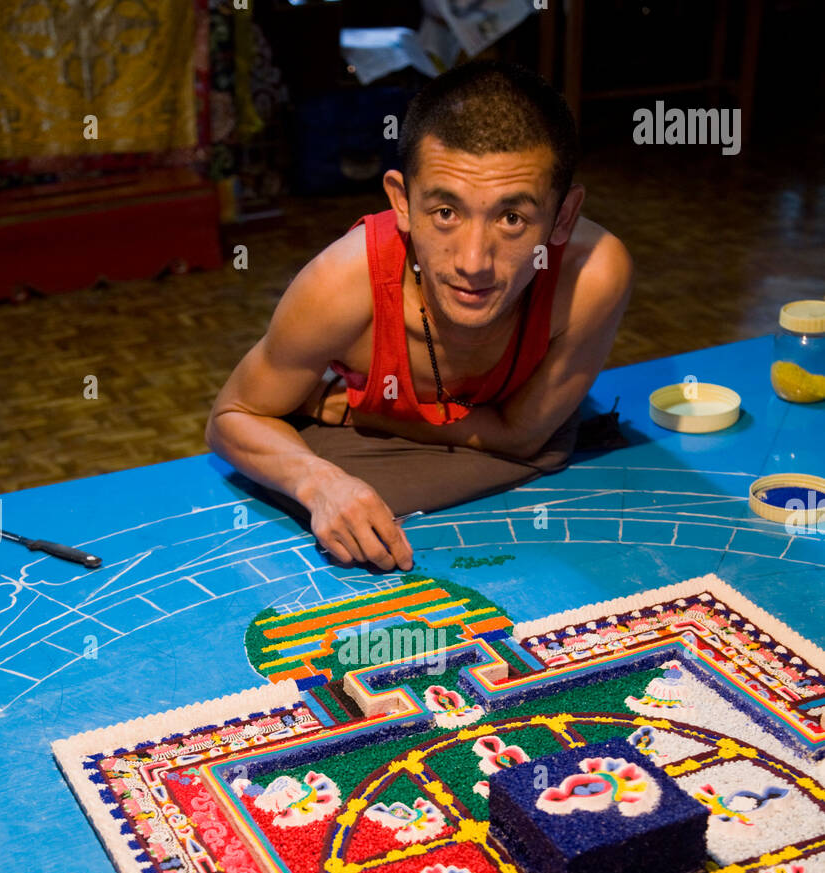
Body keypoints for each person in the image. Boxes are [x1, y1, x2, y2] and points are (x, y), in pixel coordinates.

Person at [206, 60, 634, 574]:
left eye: (512, 218)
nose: (473, 262)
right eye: (446, 213)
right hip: (436, 450)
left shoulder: (592, 276)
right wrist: (319, 484)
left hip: (486, 440)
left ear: (562, 217)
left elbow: (523, 438)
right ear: (402, 202)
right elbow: (231, 418)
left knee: (545, 448)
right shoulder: (344, 284)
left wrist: (366, 410)